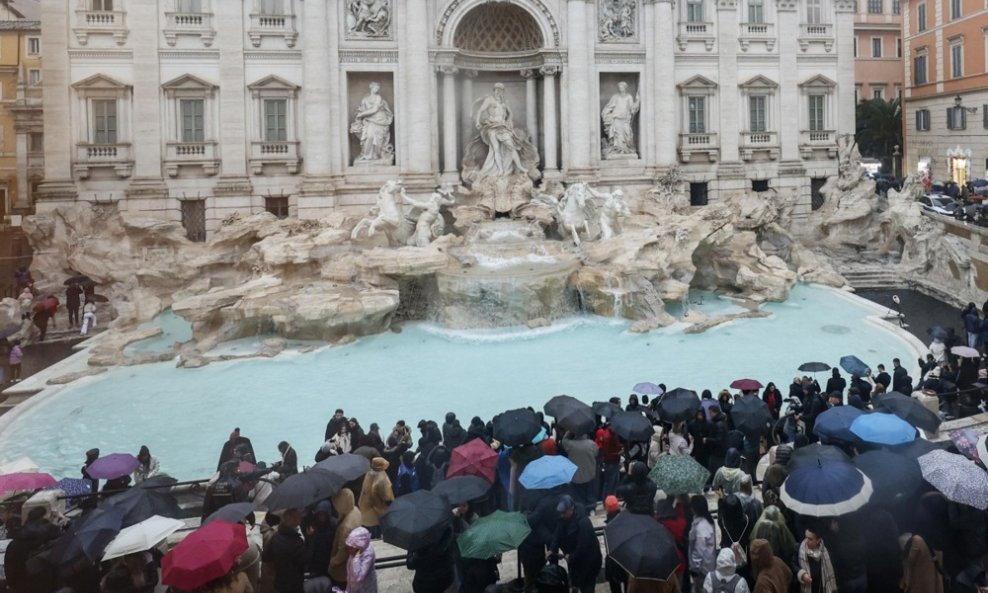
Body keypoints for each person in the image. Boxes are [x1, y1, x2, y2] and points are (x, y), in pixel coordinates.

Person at [550, 495, 602, 593]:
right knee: (575, 584)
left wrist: (572, 556)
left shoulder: (583, 522)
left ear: (571, 509)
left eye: (564, 513)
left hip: (589, 562)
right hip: (574, 561)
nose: (562, 515)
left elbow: (584, 545)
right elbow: (557, 534)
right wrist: (552, 549)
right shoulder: (563, 519)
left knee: (587, 587)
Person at [262, 507, 308, 593]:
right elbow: (305, 563)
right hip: (294, 586)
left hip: (278, 583)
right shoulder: (297, 542)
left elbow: (265, 557)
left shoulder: (275, 537)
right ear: (296, 521)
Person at [351, 82, 394, 163]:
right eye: (375, 88)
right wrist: (359, 114)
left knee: (378, 139)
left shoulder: (378, 97)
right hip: (369, 120)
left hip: (380, 119)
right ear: (371, 88)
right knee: (369, 136)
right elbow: (361, 109)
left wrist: (362, 114)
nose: (377, 89)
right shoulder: (365, 99)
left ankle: (376, 155)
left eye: (378, 88)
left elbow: (374, 109)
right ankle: (366, 155)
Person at [406, 525, 456, 593]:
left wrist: (410, 549)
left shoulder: (421, 548)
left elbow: (409, 564)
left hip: (423, 585)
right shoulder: (447, 533)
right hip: (445, 581)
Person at [330, 487, 363, 588]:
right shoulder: (355, 510)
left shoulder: (345, 527)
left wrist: (333, 562)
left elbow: (343, 551)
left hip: (343, 570)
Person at [601, 81, 641, 157]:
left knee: (627, 134)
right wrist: (605, 113)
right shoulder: (615, 97)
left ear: (625, 88)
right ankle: (618, 150)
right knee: (618, 136)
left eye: (622, 87)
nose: (620, 88)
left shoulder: (629, 97)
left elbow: (632, 109)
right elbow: (609, 106)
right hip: (616, 118)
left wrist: (637, 101)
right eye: (619, 87)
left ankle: (627, 150)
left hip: (625, 119)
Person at [560, 431, 599, 509]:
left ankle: (581, 509)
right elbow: (596, 454)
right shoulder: (591, 444)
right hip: (589, 474)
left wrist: (569, 431)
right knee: (590, 494)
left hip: (576, 476)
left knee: (578, 497)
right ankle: (591, 509)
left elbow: (563, 441)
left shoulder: (570, 445)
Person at [358, 457, 393, 538]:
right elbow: (386, 495)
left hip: (365, 503)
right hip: (377, 506)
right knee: (376, 526)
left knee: (369, 525)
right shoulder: (381, 479)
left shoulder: (369, 473)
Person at [689, 495, 717, 593]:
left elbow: (699, 551)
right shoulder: (706, 520)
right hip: (708, 565)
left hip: (702, 569)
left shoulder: (701, 527)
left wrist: (695, 570)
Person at [794, 528, 837, 593]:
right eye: (806, 537)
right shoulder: (799, 549)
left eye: (810, 539)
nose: (806, 541)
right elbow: (793, 565)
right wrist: (802, 574)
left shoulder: (826, 554)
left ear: (818, 540)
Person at [343, 526, 377, 593]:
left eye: (351, 548)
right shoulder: (353, 553)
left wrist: (356, 559)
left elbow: (358, 577)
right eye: (348, 548)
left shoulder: (368, 555)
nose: (349, 550)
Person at [596, 420, 623, 500]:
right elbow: (606, 453)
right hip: (611, 462)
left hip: (615, 461)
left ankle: (612, 499)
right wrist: (618, 453)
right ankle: (607, 500)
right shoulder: (608, 436)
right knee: (610, 483)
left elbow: (615, 445)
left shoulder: (613, 434)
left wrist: (620, 448)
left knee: (614, 482)